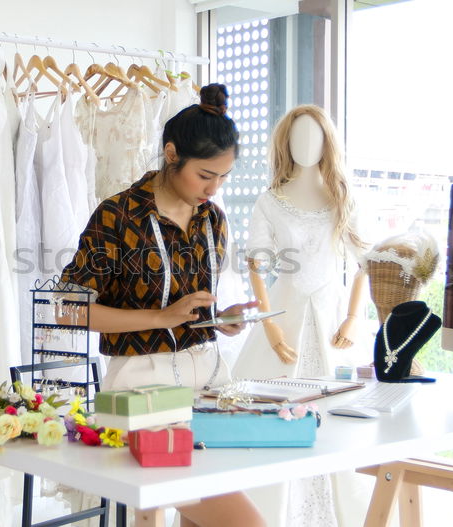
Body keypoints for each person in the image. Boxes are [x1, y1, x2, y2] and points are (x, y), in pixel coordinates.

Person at [60, 84, 265, 527]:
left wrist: (219, 319)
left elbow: (191, 308)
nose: (214, 188)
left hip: (208, 384)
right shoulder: (118, 216)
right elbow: (67, 310)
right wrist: (161, 317)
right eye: (206, 175)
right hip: (141, 392)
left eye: (224, 177)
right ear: (172, 154)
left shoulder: (213, 219)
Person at [231, 105, 369, 527]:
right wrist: (268, 323)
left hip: (331, 322)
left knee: (342, 424)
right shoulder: (270, 201)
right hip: (283, 313)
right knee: (270, 415)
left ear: (328, 142)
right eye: (296, 138)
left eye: (313, 137)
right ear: (284, 143)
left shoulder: (343, 198)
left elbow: (366, 262)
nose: (305, 146)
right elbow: (256, 263)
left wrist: (352, 317)